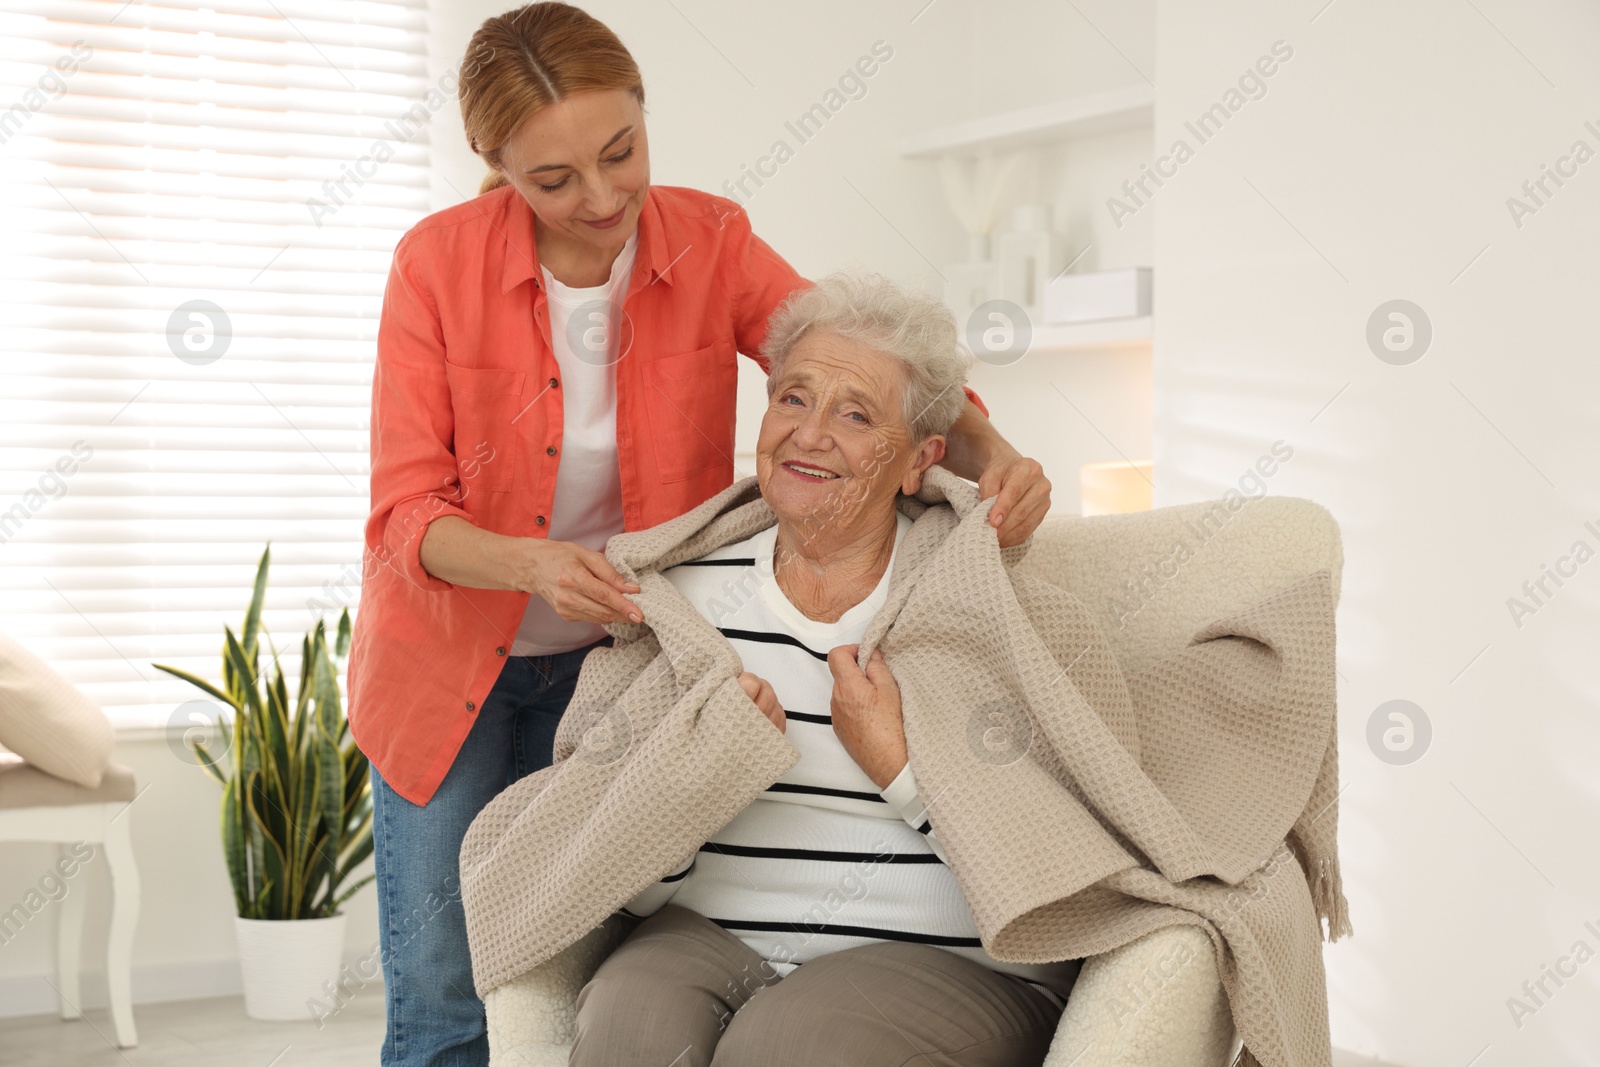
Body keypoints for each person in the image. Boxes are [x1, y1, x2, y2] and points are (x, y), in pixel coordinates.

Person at [346, 4, 1054, 1065]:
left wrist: (986, 448)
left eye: (620, 153)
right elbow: (405, 514)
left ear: (641, 116)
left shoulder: (708, 239)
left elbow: (850, 357)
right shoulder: (435, 264)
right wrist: (531, 564)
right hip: (446, 672)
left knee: (577, 971)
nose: (600, 199)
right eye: (553, 180)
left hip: (614, 672)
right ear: (493, 165)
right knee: (448, 999)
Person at [569, 272, 1079, 1067]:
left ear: (920, 461)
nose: (809, 434)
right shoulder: (684, 598)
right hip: (710, 932)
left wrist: (902, 768)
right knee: (626, 1027)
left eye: (856, 414)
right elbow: (613, 876)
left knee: (788, 1046)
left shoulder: (974, 594)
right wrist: (689, 788)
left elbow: (1055, 852)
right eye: (794, 399)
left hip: (946, 958)